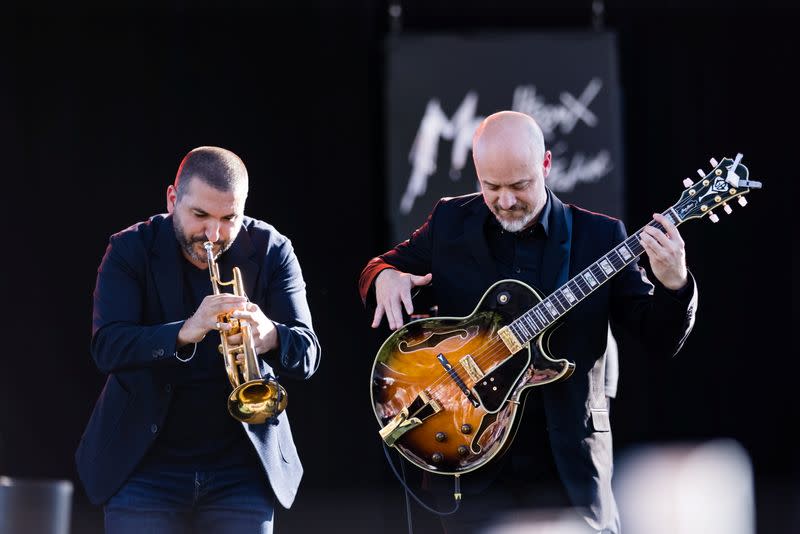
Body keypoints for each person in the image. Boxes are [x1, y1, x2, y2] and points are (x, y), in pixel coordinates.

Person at [358, 111, 697, 534]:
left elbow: (660, 338)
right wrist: (383, 275)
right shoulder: (450, 222)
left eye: (519, 185)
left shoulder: (601, 238)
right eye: (490, 187)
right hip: (473, 460)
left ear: (546, 165)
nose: (505, 200)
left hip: (569, 465)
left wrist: (675, 283)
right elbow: (380, 267)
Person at [76, 146, 321, 534]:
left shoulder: (273, 249)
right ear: (173, 198)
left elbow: (307, 354)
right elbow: (107, 347)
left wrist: (271, 335)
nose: (213, 234)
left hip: (241, 468)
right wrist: (185, 330)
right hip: (145, 467)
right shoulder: (130, 248)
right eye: (200, 215)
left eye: (229, 218)